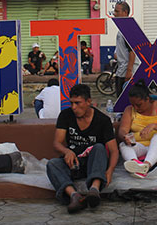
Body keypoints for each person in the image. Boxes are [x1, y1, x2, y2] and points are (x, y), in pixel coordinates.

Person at [46, 84, 119, 214]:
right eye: (72, 103)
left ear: (89, 102)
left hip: (95, 164)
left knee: (99, 147)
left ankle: (94, 190)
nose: (74, 107)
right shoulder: (66, 115)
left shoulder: (103, 120)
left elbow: (114, 150)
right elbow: (56, 143)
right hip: (74, 164)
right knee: (52, 164)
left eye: (78, 103)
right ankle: (74, 196)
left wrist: (110, 171)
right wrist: (67, 151)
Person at [117, 83, 157, 178]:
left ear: (147, 99)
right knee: (123, 145)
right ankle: (134, 164)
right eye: (133, 105)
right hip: (141, 148)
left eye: (139, 105)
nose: (136, 108)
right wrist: (125, 136)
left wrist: (154, 126)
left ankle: (146, 166)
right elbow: (123, 129)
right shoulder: (129, 110)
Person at [113, 1, 138, 98]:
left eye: (117, 11)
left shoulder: (128, 29)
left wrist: (129, 71)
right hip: (121, 69)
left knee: (124, 100)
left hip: (126, 72)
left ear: (125, 12)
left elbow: (132, 51)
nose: (114, 14)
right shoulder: (122, 29)